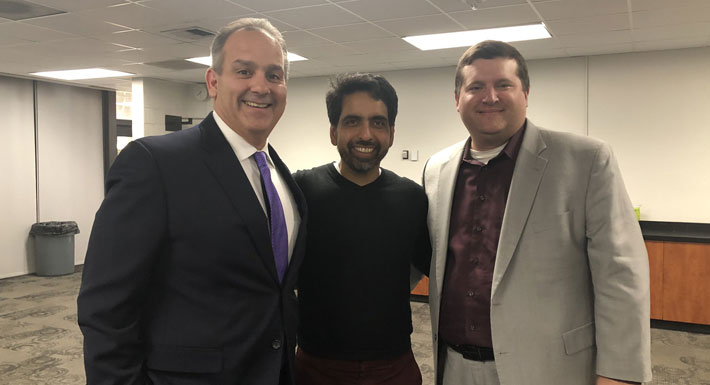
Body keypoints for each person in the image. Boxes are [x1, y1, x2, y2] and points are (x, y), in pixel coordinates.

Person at [77, 18, 306, 385]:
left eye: (274, 75)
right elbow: (106, 309)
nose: (261, 86)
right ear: (213, 82)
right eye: (244, 71)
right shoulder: (154, 163)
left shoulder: (282, 177)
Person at [423, 40, 651, 385]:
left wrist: (620, 374)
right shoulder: (436, 169)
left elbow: (621, 275)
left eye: (503, 84)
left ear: (525, 93)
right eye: (475, 87)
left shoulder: (585, 160)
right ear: (457, 99)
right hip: (453, 365)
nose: (490, 97)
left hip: (548, 368)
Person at [293, 73, 431, 385]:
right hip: (316, 366)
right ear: (333, 131)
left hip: (393, 365)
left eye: (378, 123)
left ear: (392, 133)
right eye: (352, 121)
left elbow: (424, 266)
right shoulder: (301, 190)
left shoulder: (411, 197)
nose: (366, 134)